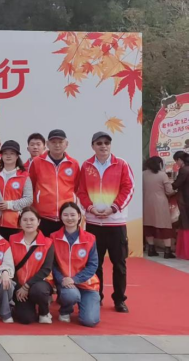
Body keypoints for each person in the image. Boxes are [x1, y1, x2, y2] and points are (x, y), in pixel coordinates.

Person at [77, 132, 135, 313]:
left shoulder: (121, 164)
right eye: (99, 143)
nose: (103, 146)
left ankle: (119, 299)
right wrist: (90, 208)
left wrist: (114, 208)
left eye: (107, 143)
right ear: (93, 146)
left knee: (119, 264)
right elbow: (81, 191)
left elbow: (129, 188)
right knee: (95, 264)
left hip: (116, 223)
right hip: (93, 223)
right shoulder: (86, 166)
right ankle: (96, 296)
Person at [52, 202, 100, 327]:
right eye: (65, 215)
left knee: (90, 321)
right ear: (60, 217)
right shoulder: (53, 238)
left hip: (87, 284)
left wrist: (75, 279)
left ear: (79, 216)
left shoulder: (90, 238)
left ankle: (85, 303)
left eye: (73, 215)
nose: (69, 218)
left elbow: (93, 265)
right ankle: (65, 310)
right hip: (66, 284)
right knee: (71, 295)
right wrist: (62, 280)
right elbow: (52, 265)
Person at [28, 129, 80, 237]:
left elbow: (76, 187)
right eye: (53, 142)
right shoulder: (37, 162)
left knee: (64, 247)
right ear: (47, 144)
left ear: (66, 144)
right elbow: (31, 186)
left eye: (60, 142)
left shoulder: (73, 164)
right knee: (44, 247)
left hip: (66, 217)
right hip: (43, 217)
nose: (57, 145)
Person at [10, 207, 54, 325]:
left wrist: (27, 286)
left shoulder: (48, 242)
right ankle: (19, 307)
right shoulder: (12, 240)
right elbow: (10, 266)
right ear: (20, 222)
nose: (28, 223)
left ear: (38, 222)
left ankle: (44, 312)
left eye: (32, 219)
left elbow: (46, 269)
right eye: (25, 220)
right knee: (26, 319)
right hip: (19, 285)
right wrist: (19, 287)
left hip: (39, 283)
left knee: (39, 291)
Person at [0, 141, 33, 241]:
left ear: (17, 156)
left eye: (12, 153)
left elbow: (29, 199)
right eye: (5, 153)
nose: (8, 156)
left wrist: (9, 205)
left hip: (15, 223)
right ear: (1, 156)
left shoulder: (24, 176)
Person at [143, 156, 175, 257]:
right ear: (159, 164)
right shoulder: (162, 175)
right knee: (165, 226)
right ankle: (167, 251)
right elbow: (169, 191)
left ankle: (151, 249)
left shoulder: (142, 174)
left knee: (148, 225)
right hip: (160, 203)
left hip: (146, 202)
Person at [173, 152, 189, 259]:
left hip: (185, 200)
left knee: (185, 224)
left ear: (179, 159)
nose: (176, 163)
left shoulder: (184, 170)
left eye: (176, 161)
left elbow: (176, 184)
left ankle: (186, 251)